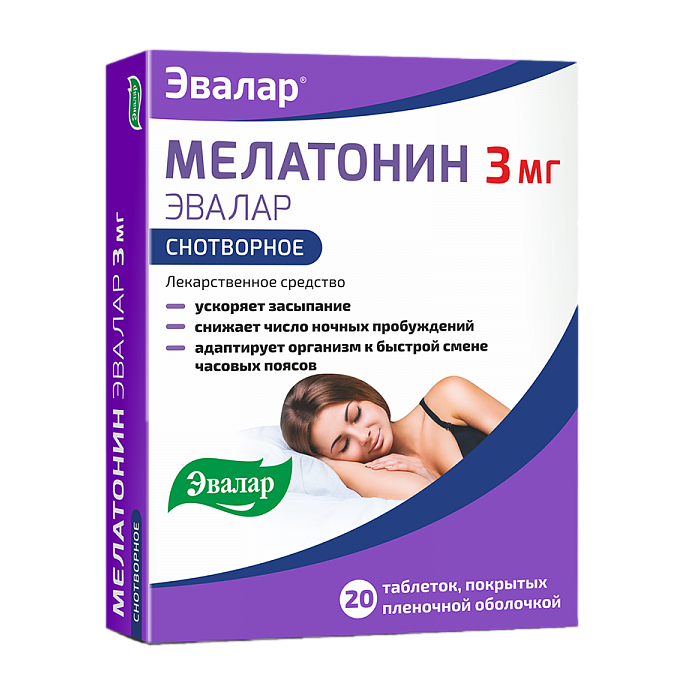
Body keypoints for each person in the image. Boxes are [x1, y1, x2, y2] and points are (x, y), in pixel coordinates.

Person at [281, 374, 509, 501]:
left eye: (356, 415)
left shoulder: (448, 397)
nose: (363, 436)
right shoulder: (382, 477)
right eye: (344, 445)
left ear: (362, 393)